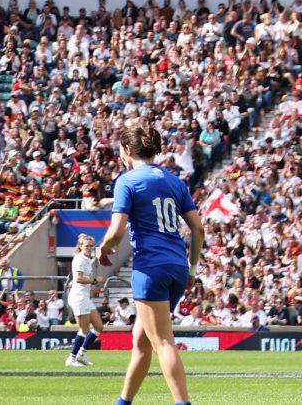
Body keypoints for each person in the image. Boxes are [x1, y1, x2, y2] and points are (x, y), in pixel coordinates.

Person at [100, 124, 203, 405]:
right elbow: (197, 229)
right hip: (178, 266)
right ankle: (123, 402)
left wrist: (102, 249)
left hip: (150, 267)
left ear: (128, 150)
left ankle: (183, 403)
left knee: (162, 343)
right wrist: (192, 270)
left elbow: (116, 231)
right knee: (142, 341)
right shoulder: (174, 181)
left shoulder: (127, 180)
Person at [64, 229, 109, 369]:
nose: (89, 248)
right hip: (78, 297)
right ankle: (71, 358)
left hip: (84, 297)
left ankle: (81, 354)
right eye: (86, 246)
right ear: (80, 247)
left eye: (91, 246)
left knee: (99, 326)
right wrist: (96, 280)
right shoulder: (80, 259)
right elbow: (78, 278)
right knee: (84, 330)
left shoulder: (86, 258)